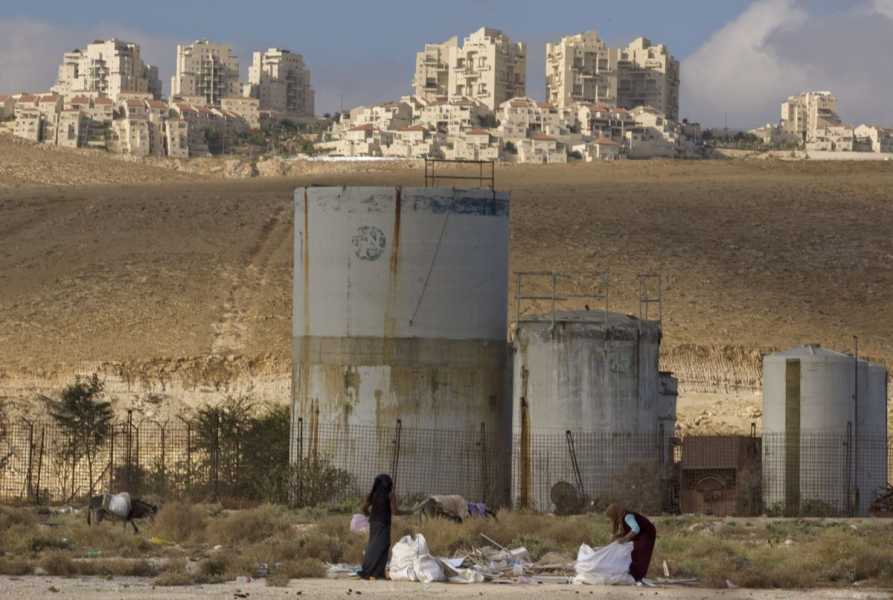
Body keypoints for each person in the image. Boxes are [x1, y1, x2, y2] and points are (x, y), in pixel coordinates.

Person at [358, 474, 397, 580]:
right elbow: (395, 511)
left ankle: (372, 571)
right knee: (383, 546)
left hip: (374, 523)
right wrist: (409, 511)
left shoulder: (373, 494)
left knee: (373, 546)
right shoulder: (390, 495)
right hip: (384, 523)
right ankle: (374, 572)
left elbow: (364, 508)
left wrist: (369, 514)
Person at [606, 503, 657, 585]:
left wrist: (624, 539)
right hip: (641, 533)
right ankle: (635, 574)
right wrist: (616, 537)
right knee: (633, 552)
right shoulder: (622, 519)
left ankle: (638, 576)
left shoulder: (627, 517)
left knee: (641, 552)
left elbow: (636, 529)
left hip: (647, 532)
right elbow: (626, 531)